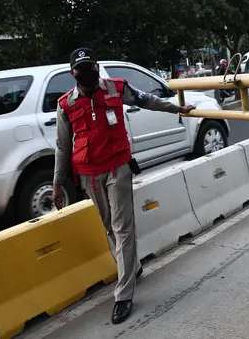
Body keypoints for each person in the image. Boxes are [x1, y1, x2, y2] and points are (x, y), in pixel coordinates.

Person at [52, 47, 195, 324]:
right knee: (109, 227)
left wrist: (176, 108)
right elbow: (62, 146)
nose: (87, 73)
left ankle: (123, 294)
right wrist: (58, 184)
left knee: (123, 227)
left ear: (97, 67)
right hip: (90, 174)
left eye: (90, 67)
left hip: (118, 167)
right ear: (73, 74)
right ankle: (133, 266)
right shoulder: (66, 105)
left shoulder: (115, 88)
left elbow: (147, 100)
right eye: (81, 70)